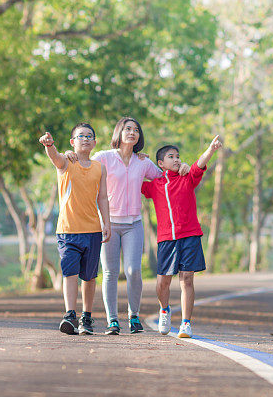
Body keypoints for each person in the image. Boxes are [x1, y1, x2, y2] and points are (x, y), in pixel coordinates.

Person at [66, 116, 189, 335]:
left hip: (134, 224)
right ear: (119, 133)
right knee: (110, 272)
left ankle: (134, 316)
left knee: (133, 271)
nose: (132, 132)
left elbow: (165, 178)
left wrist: (182, 168)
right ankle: (112, 320)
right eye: (128, 129)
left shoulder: (143, 162)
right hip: (109, 224)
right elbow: (84, 163)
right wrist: (70, 154)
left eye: (136, 130)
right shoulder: (104, 157)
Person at [141, 135, 222, 338]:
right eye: (171, 156)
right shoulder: (154, 185)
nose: (177, 159)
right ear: (161, 163)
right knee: (163, 282)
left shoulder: (188, 177)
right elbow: (132, 177)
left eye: (178, 156)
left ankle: (186, 323)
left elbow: (199, 164)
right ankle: (164, 310)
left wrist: (211, 149)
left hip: (190, 235)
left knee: (187, 279)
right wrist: (138, 158)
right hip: (166, 239)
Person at [39, 124, 111, 335]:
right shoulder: (66, 161)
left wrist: (106, 223)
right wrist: (49, 145)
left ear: (95, 143)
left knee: (89, 277)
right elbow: (54, 157)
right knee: (69, 272)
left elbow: (103, 197)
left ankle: (86, 317)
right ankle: (70, 314)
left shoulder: (99, 168)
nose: (86, 139)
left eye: (90, 136)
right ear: (73, 141)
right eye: (81, 136)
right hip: (68, 230)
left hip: (92, 230)